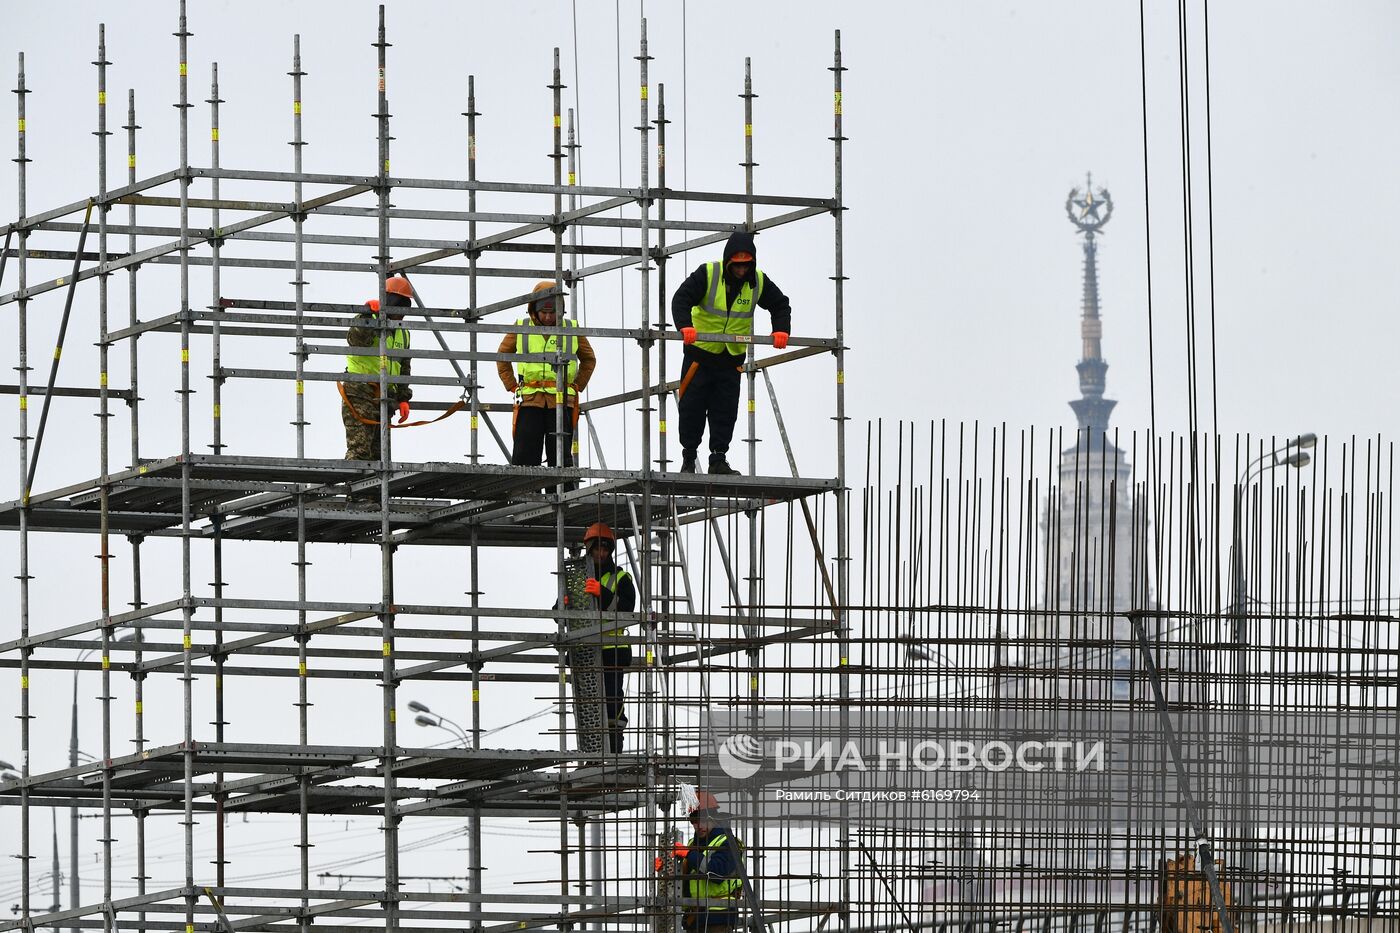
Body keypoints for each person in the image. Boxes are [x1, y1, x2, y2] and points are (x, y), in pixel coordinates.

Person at [670, 231, 791, 475]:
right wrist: (685, 325)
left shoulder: (757, 281)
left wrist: (781, 329)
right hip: (700, 356)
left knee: (724, 411)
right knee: (692, 409)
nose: (741, 270)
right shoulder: (708, 274)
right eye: (737, 265)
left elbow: (780, 303)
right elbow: (681, 298)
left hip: (730, 361)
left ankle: (718, 459)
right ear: (728, 262)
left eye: (746, 265)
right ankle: (689, 459)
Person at [497, 281, 596, 468]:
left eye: (553, 313)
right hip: (530, 400)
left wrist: (577, 385)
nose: (549, 317)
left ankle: (561, 495)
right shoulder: (521, 327)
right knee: (525, 456)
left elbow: (589, 359)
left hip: (561, 400)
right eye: (544, 313)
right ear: (534, 310)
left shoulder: (571, 328)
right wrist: (511, 385)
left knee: (560, 458)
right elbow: (502, 356)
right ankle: (525, 495)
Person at [342, 275, 414, 461]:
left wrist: (403, 397)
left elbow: (403, 366)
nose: (402, 312)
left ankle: (372, 491)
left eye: (405, 307)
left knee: (380, 458)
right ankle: (356, 489)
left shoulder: (403, 332)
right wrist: (368, 317)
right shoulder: (367, 318)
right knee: (360, 453)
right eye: (399, 305)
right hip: (361, 392)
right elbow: (356, 340)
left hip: (384, 398)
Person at [581, 522, 635, 754]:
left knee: (612, 700)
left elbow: (627, 610)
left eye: (604, 549)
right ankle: (592, 752)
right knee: (588, 704)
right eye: (596, 549)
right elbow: (560, 611)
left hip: (613, 649)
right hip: (586, 652)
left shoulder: (621, 578)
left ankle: (614, 749)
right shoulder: (579, 579)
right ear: (590, 550)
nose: (600, 553)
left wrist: (601, 594)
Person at [677, 791, 745, 932]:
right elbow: (685, 881)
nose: (698, 825)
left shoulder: (728, 842)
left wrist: (689, 854)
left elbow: (716, 873)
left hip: (719, 917)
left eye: (702, 820)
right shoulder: (692, 844)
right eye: (694, 821)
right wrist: (667, 869)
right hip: (694, 917)